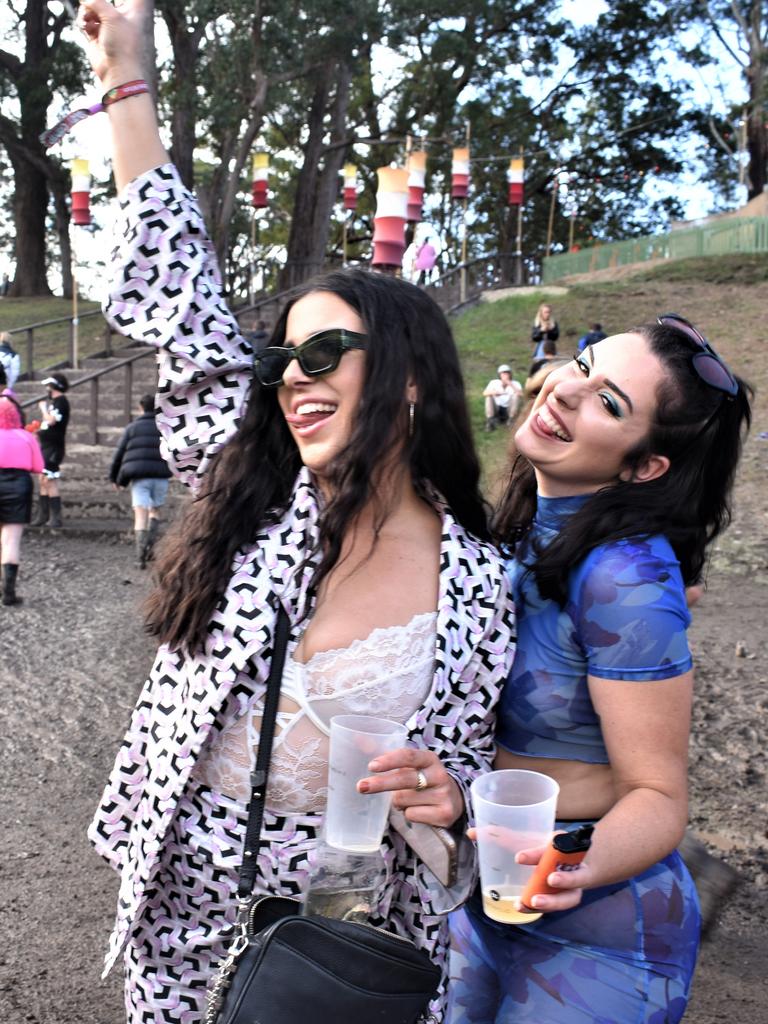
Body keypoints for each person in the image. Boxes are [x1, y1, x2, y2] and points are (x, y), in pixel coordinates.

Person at [78, 3, 514, 1021]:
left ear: (409, 381)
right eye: (283, 360)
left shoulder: (479, 583)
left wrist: (451, 797)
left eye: (327, 355)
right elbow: (184, 306)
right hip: (189, 883)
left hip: (343, 920)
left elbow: (465, 781)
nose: (293, 379)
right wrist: (126, 75)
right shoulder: (259, 499)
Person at [449, 316, 752, 1023]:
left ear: (644, 467)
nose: (565, 391)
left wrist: (570, 863)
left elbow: (658, 799)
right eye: (580, 366)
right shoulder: (519, 530)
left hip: (600, 934)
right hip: (486, 899)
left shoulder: (625, 574)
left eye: (609, 403)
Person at [109, 393, 172, 568]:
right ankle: (150, 550)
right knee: (155, 512)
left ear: (140, 407)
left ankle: (139, 558)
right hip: (160, 476)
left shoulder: (132, 428)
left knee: (140, 515)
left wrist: (115, 478)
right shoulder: (164, 427)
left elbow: (119, 455)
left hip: (139, 478)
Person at [0, 395, 44, 605]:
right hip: (19, 485)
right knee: (11, 540)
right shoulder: (26, 437)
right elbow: (38, 466)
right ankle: (8, 592)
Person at [32, 372, 70, 528]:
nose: (47, 389)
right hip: (45, 446)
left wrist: (42, 408)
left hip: (54, 448)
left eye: (49, 386)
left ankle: (56, 517)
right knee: (42, 479)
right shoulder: (54, 402)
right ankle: (43, 514)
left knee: (50, 479)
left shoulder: (61, 402)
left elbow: (52, 421)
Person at [483, 365, 522, 432]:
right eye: (503, 373)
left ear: (510, 374)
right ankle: (490, 421)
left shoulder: (515, 383)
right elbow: (484, 393)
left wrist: (510, 384)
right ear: (499, 375)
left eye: (507, 373)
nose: (505, 375)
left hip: (508, 409)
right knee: (488, 396)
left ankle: (511, 420)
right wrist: (494, 392)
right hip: (497, 407)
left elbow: (521, 394)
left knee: (516, 396)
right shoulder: (494, 382)